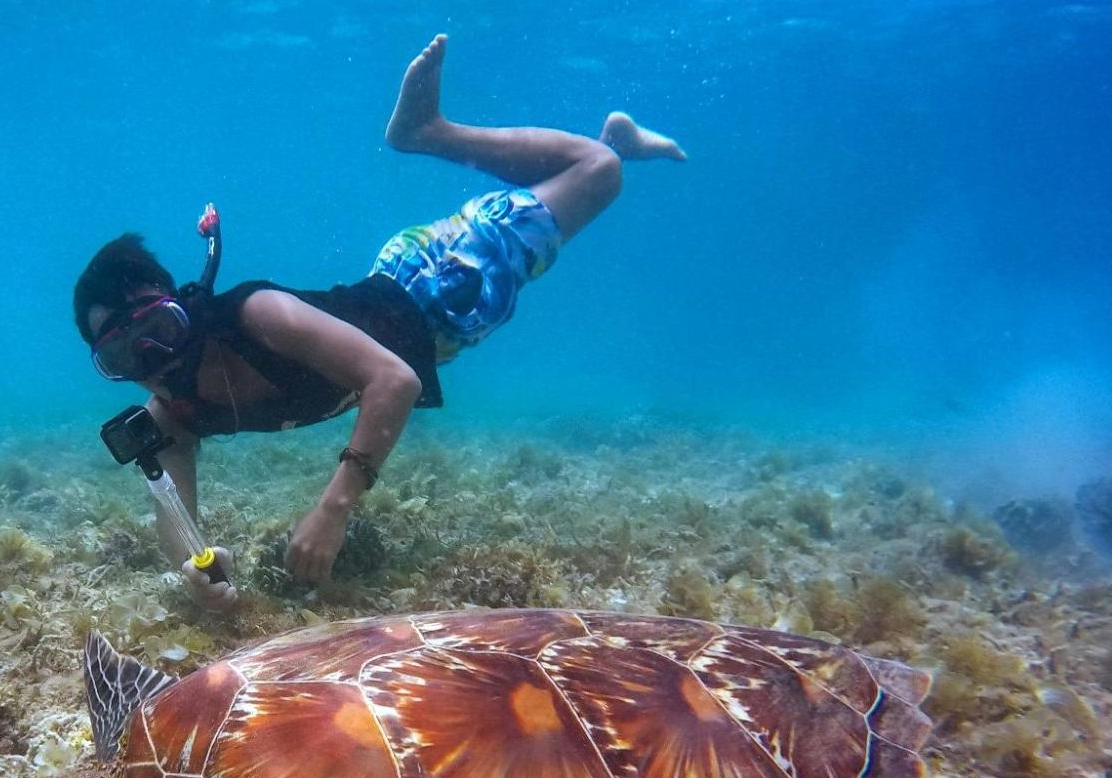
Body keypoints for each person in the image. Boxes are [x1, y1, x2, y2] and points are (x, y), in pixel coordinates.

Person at [74, 34, 685, 613]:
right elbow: (177, 525)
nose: (155, 360)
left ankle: (430, 132)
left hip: (439, 286)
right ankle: (615, 139)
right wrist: (197, 575)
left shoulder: (255, 315)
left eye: (160, 329)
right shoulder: (172, 416)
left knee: (598, 174)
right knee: (575, 187)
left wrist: (334, 509)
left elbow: (394, 382)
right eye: (125, 356)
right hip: (420, 304)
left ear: (185, 307)